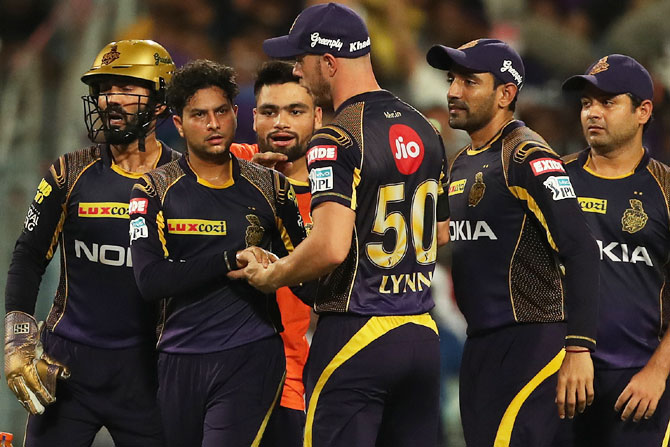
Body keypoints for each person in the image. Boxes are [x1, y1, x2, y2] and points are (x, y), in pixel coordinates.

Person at [230, 3, 451, 446]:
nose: (298, 71)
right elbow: (440, 233)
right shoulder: (423, 126)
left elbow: (331, 247)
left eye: (301, 61)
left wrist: (273, 275)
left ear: (328, 63)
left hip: (357, 334)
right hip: (423, 335)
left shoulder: (336, 136)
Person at [425, 38, 600, 446]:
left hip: (530, 343)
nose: (453, 91)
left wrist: (579, 348)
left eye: (470, 81)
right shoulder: (462, 160)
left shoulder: (528, 156)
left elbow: (581, 248)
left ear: (506, 93)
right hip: (482, 343)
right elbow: (447, 240)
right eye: (452, 80)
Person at [4, 39, 178, 446]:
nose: (110, 100)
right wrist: (18, 338)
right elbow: (28, 257)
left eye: (125, 88)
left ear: (159, 100)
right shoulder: (68, 173)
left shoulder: (182, 180)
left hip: (150, 373)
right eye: (103, 89)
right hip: (66, 370)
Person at [128, 59, 307, 447]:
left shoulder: (273, 188)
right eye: (199, 115)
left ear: (235, 114)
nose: (212, 124)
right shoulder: (153, 191)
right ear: (178, 124)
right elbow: (149, 280)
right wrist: (230, 260)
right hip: (177, 358)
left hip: (251, 352)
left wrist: (280, 270)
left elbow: (308, 278)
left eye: (220, 112)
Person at [559, 54, 670, 446]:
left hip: (637, 386)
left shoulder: (666, 190)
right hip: (560, 379)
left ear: (643, 111)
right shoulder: (553, 179)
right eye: (587, 103)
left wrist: (658, 372)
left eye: (607, 102)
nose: (592, 112)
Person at [236, 60, 322, 447]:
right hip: (220, 366)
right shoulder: (227, 163)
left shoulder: (336, 194)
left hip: (295, 377)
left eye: (296, 111)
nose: (281, 123)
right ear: (254, 118)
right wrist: (238, 184)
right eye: (270, 112)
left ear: (318, 117)